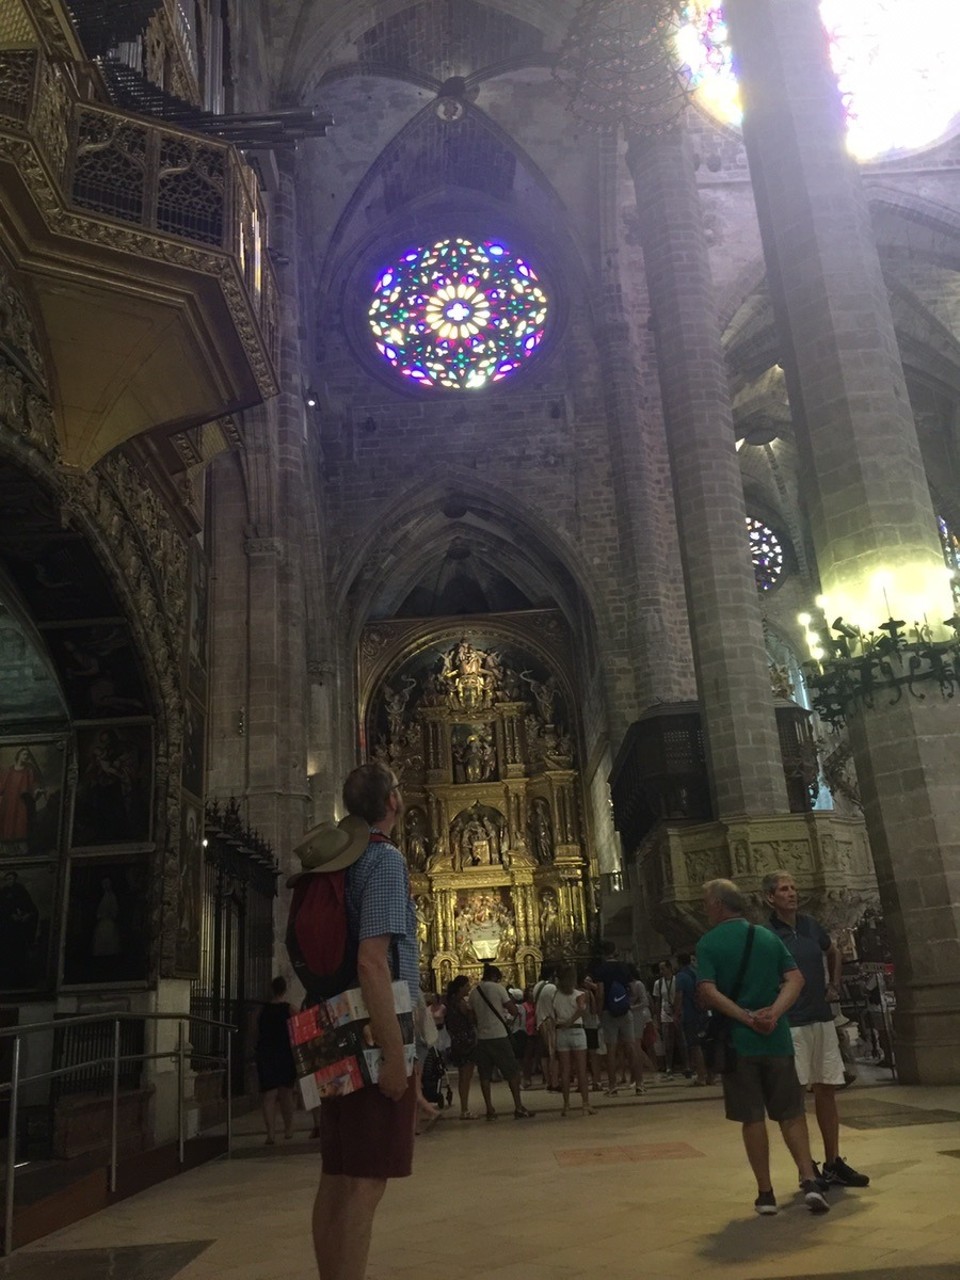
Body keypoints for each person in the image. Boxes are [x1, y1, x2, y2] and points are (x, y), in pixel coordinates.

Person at [305, 762, 420, 1280]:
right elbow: (374, 961)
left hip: (330, 1025)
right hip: (369, 1030)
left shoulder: (339, 862)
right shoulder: (384, 861)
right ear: (392, 801)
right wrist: (395, 1058)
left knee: (337, 1174)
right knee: (366, 1181)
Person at [696, 878, 829, 1216]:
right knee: (792, 1113)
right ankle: (809, 1180)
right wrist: (775, 1012)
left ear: (717, 905)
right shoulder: (767, 936)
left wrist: (746, 1017)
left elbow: (708, 992)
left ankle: (766, 1194)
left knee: (752, 1118)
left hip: (739, 1043)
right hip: (778, 1038)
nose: (704, 909)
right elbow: (795, 978)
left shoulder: (709, 943)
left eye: (705, 903)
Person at [763, 870, 870, 1189]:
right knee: (795, 1096)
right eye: (784, 889)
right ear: (771, 897)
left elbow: (833, 950)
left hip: (820, 1017)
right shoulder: (767, 934)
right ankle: (806, 1168)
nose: (792, 893)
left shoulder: (810, 925)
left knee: (826, 1088)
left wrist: (834, 984)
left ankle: (834, 1161)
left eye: (794, 887)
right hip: (791, 1022)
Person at [469, 963, 534, 1120]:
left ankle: (490, 1109)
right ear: (495, 976)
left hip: (482, 1038)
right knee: (512, 1072)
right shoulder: (498, 988)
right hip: (498, 1035)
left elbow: (472, 1017)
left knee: (485, 1075)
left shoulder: (473, 992)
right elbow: (512, 1009)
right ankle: (518, 1106)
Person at [591, 940, 644, 1096]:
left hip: (609, 1011)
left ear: (603, 953)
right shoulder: (624, 967)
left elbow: (600, 993)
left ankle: (613, 1085)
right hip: (625, 1011)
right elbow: (633, 989)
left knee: (612, 1050)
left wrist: (599, 1012)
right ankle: (639, 1083)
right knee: (631, 1047)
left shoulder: (601, 970)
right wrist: (627, 1001)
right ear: (614, 950)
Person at [255, 976, 297, 1144]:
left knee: (269, 1095)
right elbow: (298, 1031)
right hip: (285, 1053)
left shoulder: (261, 1011)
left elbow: (254, 1032)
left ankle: (271, 1133)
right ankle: (288, 1128)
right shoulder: (290, 1009)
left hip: (266, 1053)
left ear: (271, 989)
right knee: (286, 1093)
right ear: (285, 989)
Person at [553, 965, 595, 1117]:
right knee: (581, 1070)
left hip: (561, 1032)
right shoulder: (579, 994)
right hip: (576, 1031)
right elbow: (582, 1010)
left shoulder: (555, 995)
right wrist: (571, 1021)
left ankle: (566, 1104)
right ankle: (585, 1103)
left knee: (565, 1071)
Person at [675, 952, 712, 1085]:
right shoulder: (697, 973)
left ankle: (701, 1076)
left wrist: (676, 1013)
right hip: (703, 1012)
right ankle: (710, 1076)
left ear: (678, 962)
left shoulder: (681, 976)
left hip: (690, 1014)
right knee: (706, 1044)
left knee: (695, 1045)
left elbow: (679, 996)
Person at [445, 974, 478, 1118]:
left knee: (462, 1076)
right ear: (460, 988)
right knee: (466, 1076)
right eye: (466, 986)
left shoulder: (450, 1002)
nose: (469, 988)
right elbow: (471, 1019)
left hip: (456, 1041)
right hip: (466, 1042)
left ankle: (464, 1108)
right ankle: (464, 1109)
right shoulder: (461, 1003)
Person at [533, 963, 559, 1090]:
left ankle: (548, 1080)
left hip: (539, 1020)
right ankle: (554, 1082)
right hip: (549, 1021)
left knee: (544, 1054)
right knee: (553, 1053)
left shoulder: (537, 986)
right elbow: (556, 1005)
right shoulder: (551, 988)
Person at [653, 960, 677, 1076]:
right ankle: (668, 1066)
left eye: (663, 969)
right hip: (665, 1013)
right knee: (667, 1042)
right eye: (660, 969)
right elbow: (657, 1001)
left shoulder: (676, 980)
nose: (661, 971)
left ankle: (687, 1065)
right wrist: (658, 1017)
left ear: (669, 968)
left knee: (682, 1040)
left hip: (677, 1012)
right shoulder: (658, 983)